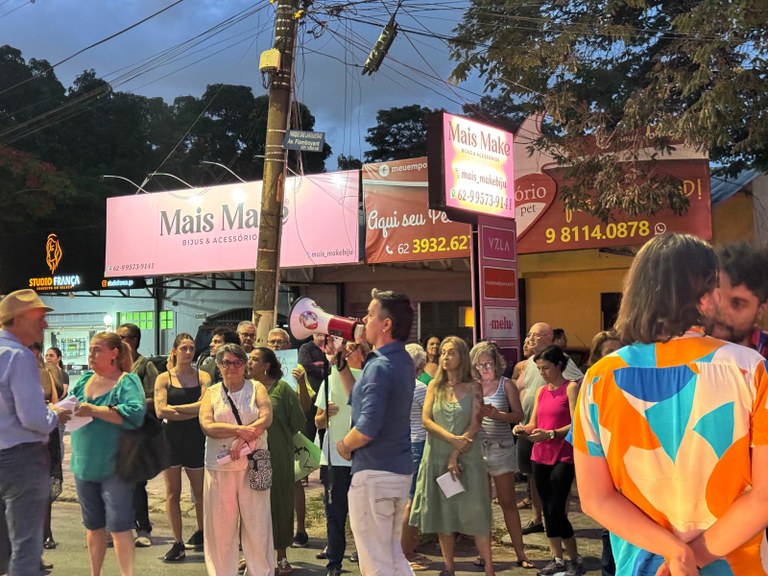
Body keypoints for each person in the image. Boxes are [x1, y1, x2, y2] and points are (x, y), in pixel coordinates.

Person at [573, 233, 768, 575]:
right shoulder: (750, 370)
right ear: (705, 298)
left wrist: (673, 552)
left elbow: (595, 498)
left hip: (642, 566)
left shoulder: (599, 379)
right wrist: (694, 557)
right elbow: (763, 498)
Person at [333, 288, 415, 576]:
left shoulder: (379, 364)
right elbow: (363, 401)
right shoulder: (401, 360)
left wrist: (343, 445)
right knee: (392, 556)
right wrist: (343, 367)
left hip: (374, 473)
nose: (364, 320)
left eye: (369, 314)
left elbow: (367, 427)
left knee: (376, 561)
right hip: (397, 471)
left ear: (386, 324)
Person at [410, 336, 494, 576]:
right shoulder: (434, 387)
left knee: (476, 511)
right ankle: (449, 567)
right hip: (437, 456)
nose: (445, 357)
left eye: (451, 353)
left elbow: (476, 423)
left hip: (467, 457)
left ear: (462, 357)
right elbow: (426, 421)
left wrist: (456, 452)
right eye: (443, 353)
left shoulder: (474, 386)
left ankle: (489, 568)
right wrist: (450, 440)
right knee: (444, 512)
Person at [0, 290, 70, 576]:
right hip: (21, 459)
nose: (45, 325)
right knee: (26, 547)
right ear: (17, 319)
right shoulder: (19, 356)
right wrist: (56, 413)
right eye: (39, 318)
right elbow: (34, 419)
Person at [69, 331, 146, 576]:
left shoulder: (126, 381)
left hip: (115, 466)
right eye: (90, 349)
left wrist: (95, 409)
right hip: (84, 464)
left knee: (120, 527)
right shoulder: (84, 381)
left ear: (114, 353)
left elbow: (135, 414)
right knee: (93, 527)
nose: (91, 354)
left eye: (96, 349)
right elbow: (70, 406)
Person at [199, 343, 274, 576]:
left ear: (245, 365)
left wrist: (241, 439)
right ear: (219, 366)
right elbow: (207, 425)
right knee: (220, 529)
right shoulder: (211, 393)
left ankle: (261, 572)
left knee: (258, 525)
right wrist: (241, 431)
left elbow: (266, 417)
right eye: (226, 362)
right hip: (220, 468)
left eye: (237, 362)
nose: (231, 367)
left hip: (254, 464)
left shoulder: (257, 387)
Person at [514, 345, 583, 576]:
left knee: (556, 507)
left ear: (559, 366)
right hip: (540, 454)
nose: (542, 372)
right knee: (546, 508)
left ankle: (573, 557)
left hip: (562, 454)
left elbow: (576, 424)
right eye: (539, 369)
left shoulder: (570, 388)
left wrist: (552, 433)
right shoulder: (543, 391)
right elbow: (535, 422)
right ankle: (557, 558)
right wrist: (523, 429)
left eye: (546, 368)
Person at [471, 341, 533, 569]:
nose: (485, 368)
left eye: (488, 363)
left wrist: (497, 415)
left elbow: (518, 415)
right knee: (481, 504)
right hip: (477, 448)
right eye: (480, 365)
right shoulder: (472, 385)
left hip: (501, 446)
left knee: (508, 502)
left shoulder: (506, 384)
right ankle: (484, 554)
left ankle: (521, 552)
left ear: (496, 363)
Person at [154, 333, 212, 562]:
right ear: (175, 350)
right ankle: (177, 542)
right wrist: (193, 410)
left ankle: (204, 534)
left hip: (195, 440)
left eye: (191, 348)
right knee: (172, 493)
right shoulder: (164, 378)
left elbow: (206, 407)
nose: (188, 352)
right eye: (184, 348)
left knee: (200, 493)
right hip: (170, 441)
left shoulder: (203, 376)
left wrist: (176, 411)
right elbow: (160, 411)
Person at [248, 346, 305, 576]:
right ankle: (253, 556)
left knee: (280, 503)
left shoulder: (282, 390)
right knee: (253, 506)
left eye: (254, 359)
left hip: (279, 455)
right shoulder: (246, 389)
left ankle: (281, 557)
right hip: (253, 457)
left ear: (267, 365)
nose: (249, 363)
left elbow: (299, 421)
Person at [314, 341, 364, 576]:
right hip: (334, 457)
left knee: (362, 512)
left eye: (353, 349)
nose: (347, 352)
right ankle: (334, 562)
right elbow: (318, 421)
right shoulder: (329, 379)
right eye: (346, 349)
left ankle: (364, 556)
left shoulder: (369, 378)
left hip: (363, 457)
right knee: (335, 512)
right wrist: (325, 414)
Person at [266, 327, 314, 553]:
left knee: (294, 482)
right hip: (266, 435)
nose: (276, 346)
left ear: (288, 345)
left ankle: (300, 529)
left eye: (281, 342)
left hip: (291, 433)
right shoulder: (257, 370)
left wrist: (302, 383)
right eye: (272, 342)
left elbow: (306, 407)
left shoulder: (296, 368)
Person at [116, 322, 159, 548]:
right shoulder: (113, 367)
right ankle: (121, 527)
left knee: (136, 482)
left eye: (121, 337)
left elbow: (155, 399)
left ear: (132, 340)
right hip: (115, 432)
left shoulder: (144, 366)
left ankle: (143, 527)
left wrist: (132, 404)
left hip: (138, 432)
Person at [584, 329, 622, 576]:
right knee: (611, 529)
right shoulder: (592, 383)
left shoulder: (634, 378)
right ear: (598, 357)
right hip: (605, 464)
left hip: (632, 463)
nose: (617, 356)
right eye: (610, 352)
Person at [401, 343, 430, 571]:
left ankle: (405, 547)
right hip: (418, 444)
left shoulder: (395, 384)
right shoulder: (419, 388)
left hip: (400, 444)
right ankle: (405, 552)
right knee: (411, 500)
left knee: (404, 499)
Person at [712, 242, 768, 354]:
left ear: (759, 312)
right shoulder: (681, 352)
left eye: (737, 303)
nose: (720, 308)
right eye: (716, 296)